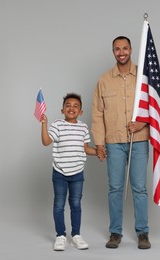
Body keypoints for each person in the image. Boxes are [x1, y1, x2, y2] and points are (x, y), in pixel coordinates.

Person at [91, 36, 151, 249]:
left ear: (131, 50)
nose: (121, 52)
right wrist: (99, 143)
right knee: (115, 188)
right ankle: (115, 232)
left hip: (139, 141)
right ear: (113, 52)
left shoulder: (144, 78)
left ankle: (143, 232)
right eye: (117, 49)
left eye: (125, 48)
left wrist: (142, 124)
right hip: (114, 142)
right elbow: (97, 114)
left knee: (139, 188)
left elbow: (154, 106)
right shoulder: (104, 80)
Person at [41, 92, 99, 251]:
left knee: (75, 204)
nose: (71, 108)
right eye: (68, 105)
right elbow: (46, 142)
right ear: (62, 110)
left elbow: (86, 148)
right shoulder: (57, 125)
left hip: (77, 173)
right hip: (59, 172)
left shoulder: (83, 127)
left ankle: (76, 235)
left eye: (75, 106)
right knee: (59, 204)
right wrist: (44, 124)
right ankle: (60, 235)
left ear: (81, 112)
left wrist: (99, 152)